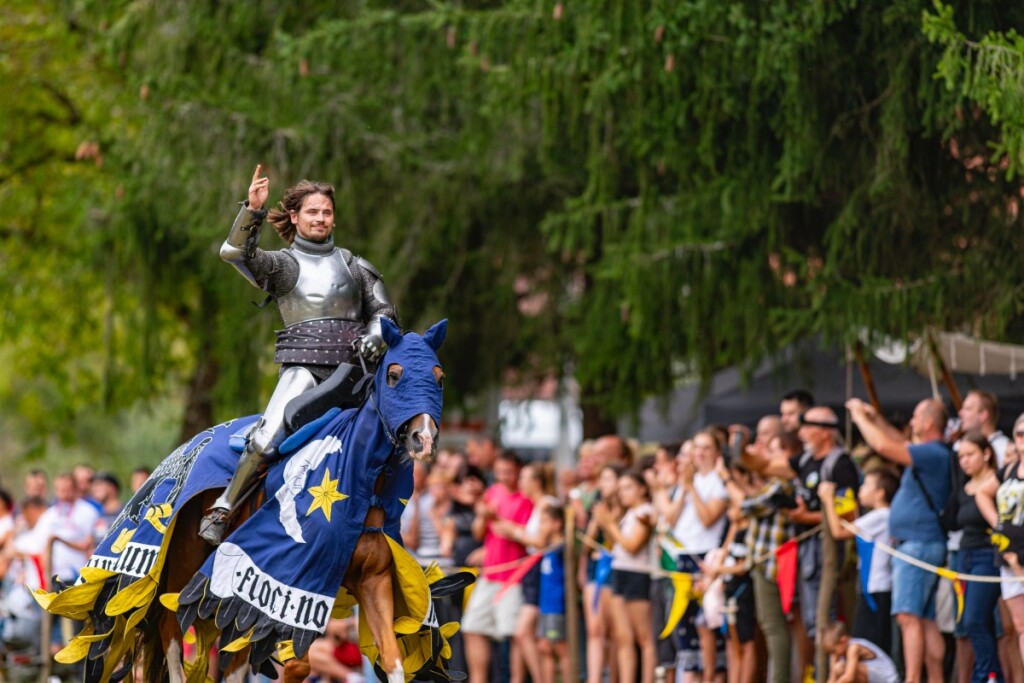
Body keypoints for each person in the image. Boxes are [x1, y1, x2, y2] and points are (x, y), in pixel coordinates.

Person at [200, 165, 398, 545]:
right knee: (265, 439)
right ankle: (224, 508)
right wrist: (253, 211)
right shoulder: (283, 265)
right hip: (304, 370)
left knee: (398, 434)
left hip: (358, 375)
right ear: (295, 217)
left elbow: (385, 313)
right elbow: (234, 252)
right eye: (312, 211)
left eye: (326, 211)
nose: (321, 218)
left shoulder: (355, 266)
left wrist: (376, 335)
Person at [847, 397, 951, 683]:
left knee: (907, 617)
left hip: (917, 544)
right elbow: (896, 440)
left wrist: (859, 418)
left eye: (916, 418)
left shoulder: (933, 452)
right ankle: (935, 678)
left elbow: (884, 446)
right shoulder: (932, 452)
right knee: (925, 620)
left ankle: (913, 678)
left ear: (929, 423)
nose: (911, 424)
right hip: (920, 543)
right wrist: (876, 419)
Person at [462, 452, 533, 683]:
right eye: (499, 472)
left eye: (508, 472)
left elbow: (527, 538)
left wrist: (494, 518)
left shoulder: (527, 498)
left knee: (511, 634)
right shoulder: (493, 492)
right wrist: (483, 518)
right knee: (472, 627)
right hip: (489, 574)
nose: (503, 477)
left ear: (519, 471)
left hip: (514, 576)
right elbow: (478, 532)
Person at [819, 469, 899, 656]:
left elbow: (838, 532)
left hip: (877, 588)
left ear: (880, 493)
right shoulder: (878, 516)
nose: (860, 489)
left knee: (867, 645)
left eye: (866, 485)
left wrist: (828, 499)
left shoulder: (881, 515)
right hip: (872, 587)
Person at [594, 469, 657, 683]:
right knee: (622, 637)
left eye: (628, 488)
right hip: (620, 571)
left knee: (644, 638)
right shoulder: (628, 514)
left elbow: (632, 546)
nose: (622, 493)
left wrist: (609, 524)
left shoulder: (646, 511)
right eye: (620, 489)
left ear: (642, 489)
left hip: (637, 574)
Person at [950, 432, 1003, 682]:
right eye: (960, 456)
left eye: (969, 454)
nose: (964, 461)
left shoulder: (998, 481)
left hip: (988, 554)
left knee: (975, 619)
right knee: (968, 621)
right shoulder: (963, 485)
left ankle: (988, 675)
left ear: (986, 453)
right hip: (964, 557)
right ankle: (987, 674)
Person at [536, 503, 570, 683]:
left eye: (545, 521)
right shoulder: (549, 547)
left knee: (560, 648)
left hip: (556, 608)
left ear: (557, 524)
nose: (541, 526)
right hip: (545, 607)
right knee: (544, 647)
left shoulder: (562, 548)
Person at [821, 622, 901, 683]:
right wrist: (834, 670)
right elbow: (831, 679)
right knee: (839, 668)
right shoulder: (838, 653)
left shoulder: (854, 647)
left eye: (833, 651)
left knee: (843, 668)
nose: (833, 654)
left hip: (888, 680)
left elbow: (849, 677)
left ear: (843, 640)